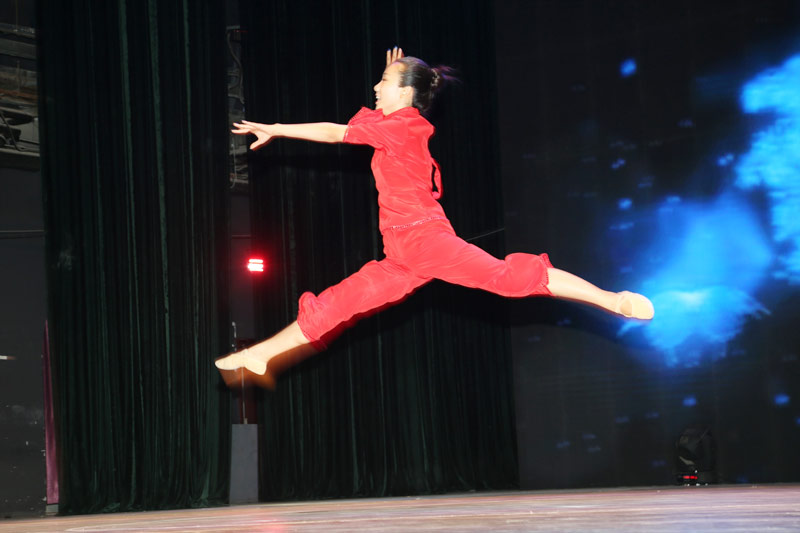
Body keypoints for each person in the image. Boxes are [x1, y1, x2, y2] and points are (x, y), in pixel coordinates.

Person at [215, 47, 654, 385]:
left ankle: (612, 300)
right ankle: (261, 354)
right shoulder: (396, 126)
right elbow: (371, 122)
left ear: (406, 93)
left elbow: (336, 132)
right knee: (338, 304)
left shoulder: (404, 126)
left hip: (425, 241)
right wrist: (393, 78)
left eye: (384, 82)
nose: (375, 87)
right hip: (401, 255)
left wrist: (276, 128)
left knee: (507, 278)